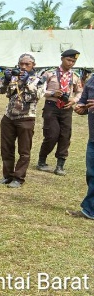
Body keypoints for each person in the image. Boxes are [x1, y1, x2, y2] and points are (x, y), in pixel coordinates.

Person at [0, 53, 46, 189]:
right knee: (6, 148)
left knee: (24, 150)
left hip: (26, 117)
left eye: (27, 64)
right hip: (9, 117)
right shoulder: (13, 77)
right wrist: (5, 79)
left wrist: (27, 81)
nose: (23, 67)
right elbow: (0, 91)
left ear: (33, 65)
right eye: (21, 64)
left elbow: (38, 95)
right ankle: (8, 176)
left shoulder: (39, 79)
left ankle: (18, 178)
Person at [35, 49, 82, 176]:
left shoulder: (75, 76)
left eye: (73, 61)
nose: (71, 63)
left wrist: (74, 100)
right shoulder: (49, 74)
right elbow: (37, 89)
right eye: (68, 60)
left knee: (65, 136)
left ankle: (60, 165)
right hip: (52, 107)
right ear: (62, 58)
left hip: (66, 108)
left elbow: (79, 91)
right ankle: (42, 161)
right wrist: (52, 93)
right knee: (52, 135)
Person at [67, 74, 94, 219]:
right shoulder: (91, 79)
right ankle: (90, 210)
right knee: (92, 174)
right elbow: (83, 102)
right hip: (93, 138)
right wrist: (81, 108)